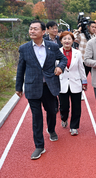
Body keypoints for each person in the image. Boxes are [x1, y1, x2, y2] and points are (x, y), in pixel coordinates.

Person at [15, 20, 67, 160]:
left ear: (43, 32)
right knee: (36, 117)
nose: (32, 31)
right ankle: (39, 146)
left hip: (49, 87)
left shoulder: (52, 46)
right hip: (32, 87)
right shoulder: (24, 48)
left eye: (35, 29)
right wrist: (18, 87)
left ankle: (51, 130)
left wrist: (60, 67)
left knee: (51, 111)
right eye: (30, 29)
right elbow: (21, 69)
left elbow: (63, 59)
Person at [58, 31, 87, 136]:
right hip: (62, 83)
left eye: (69, 39)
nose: (67, 41)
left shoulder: (77, 53)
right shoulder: (57, 52)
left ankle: (74, 126)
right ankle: (64, 118)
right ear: (61, 41)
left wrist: (84, 81)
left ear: (73, 41)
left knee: (77, 107)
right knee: (64, 107)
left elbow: (81, 68)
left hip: (75, 83)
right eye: (64, 39)